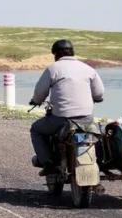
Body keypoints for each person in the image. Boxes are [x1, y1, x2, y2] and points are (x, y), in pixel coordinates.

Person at [30, 39, 105, 175]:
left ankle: (48, 163)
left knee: (36, 129)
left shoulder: (53, 68)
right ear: (72, 52)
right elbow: (99, 93)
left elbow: (40, 92)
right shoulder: (87, 68)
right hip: (86, 119)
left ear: (56, 54)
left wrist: (36, 101)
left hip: (61, 120)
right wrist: (97, 98)